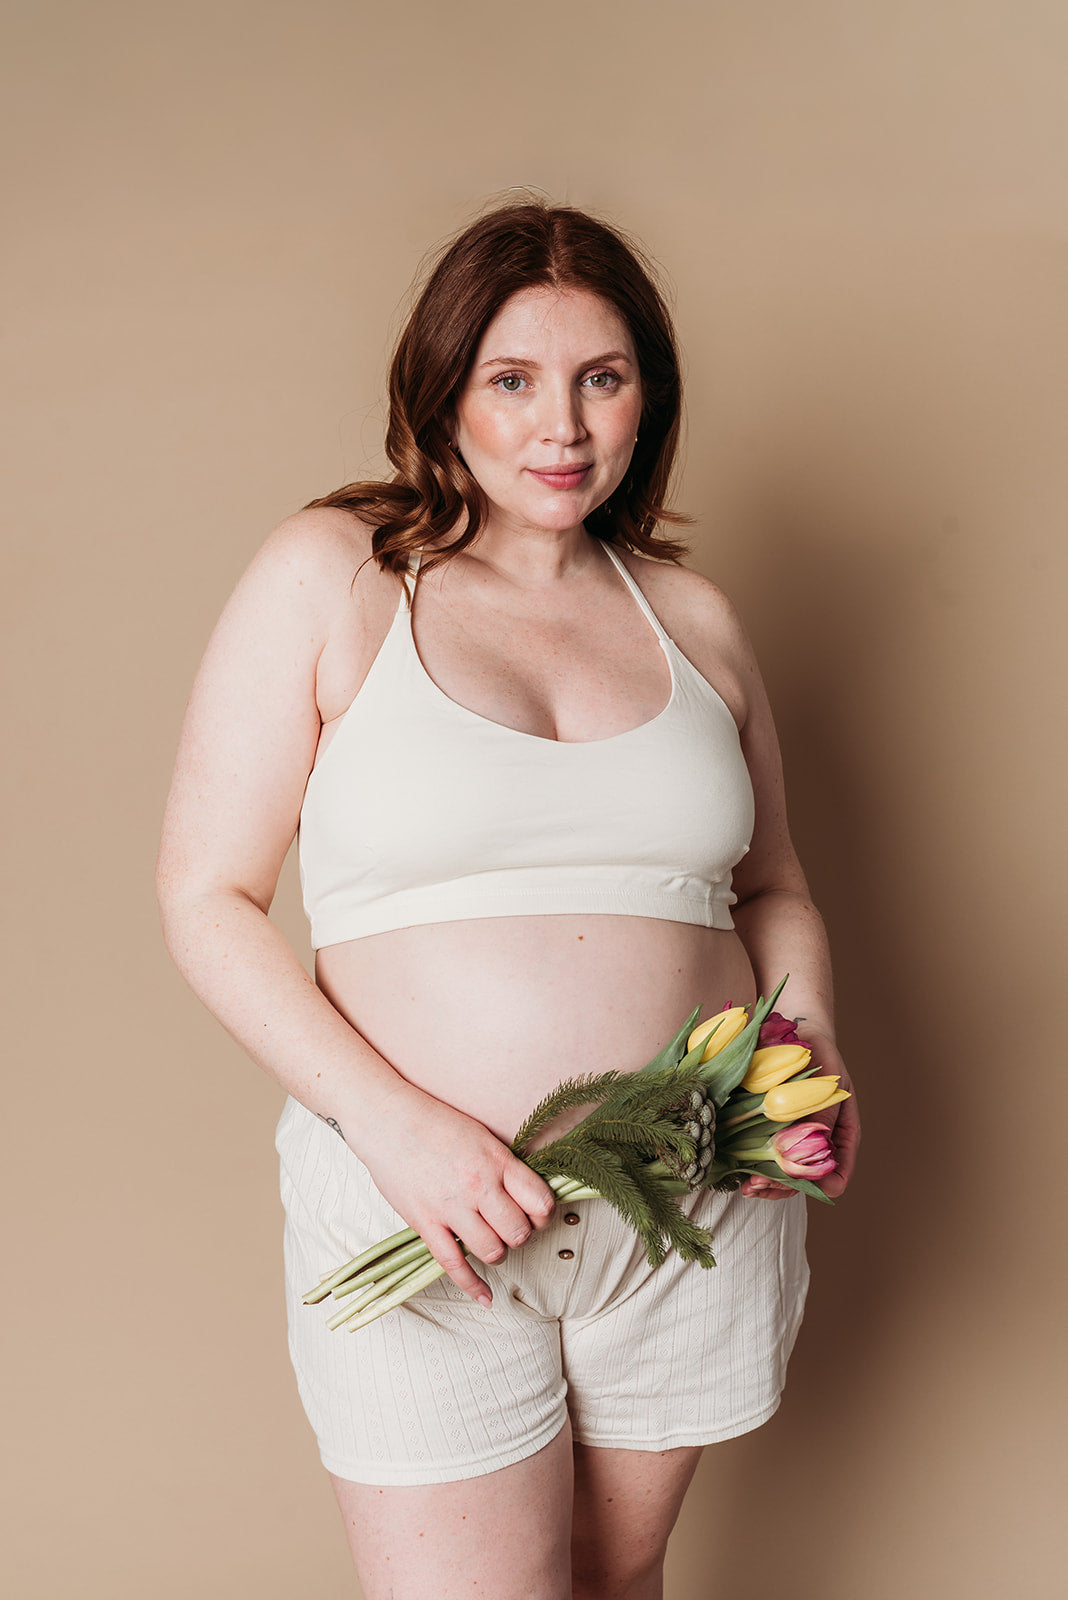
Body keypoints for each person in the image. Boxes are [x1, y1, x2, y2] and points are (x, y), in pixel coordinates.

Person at [157, 198, 859, 1600]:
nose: (565, 428)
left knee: (618, 1584)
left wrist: (811, 1047)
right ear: (444, 390)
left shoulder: (696, 617)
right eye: (513, 379)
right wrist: (398, 1128)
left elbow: (773, 887)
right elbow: (207, 898)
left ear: (647, 395)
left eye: (604, 378)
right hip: (420, 1213)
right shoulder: (337, 576)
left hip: (698, 1192)